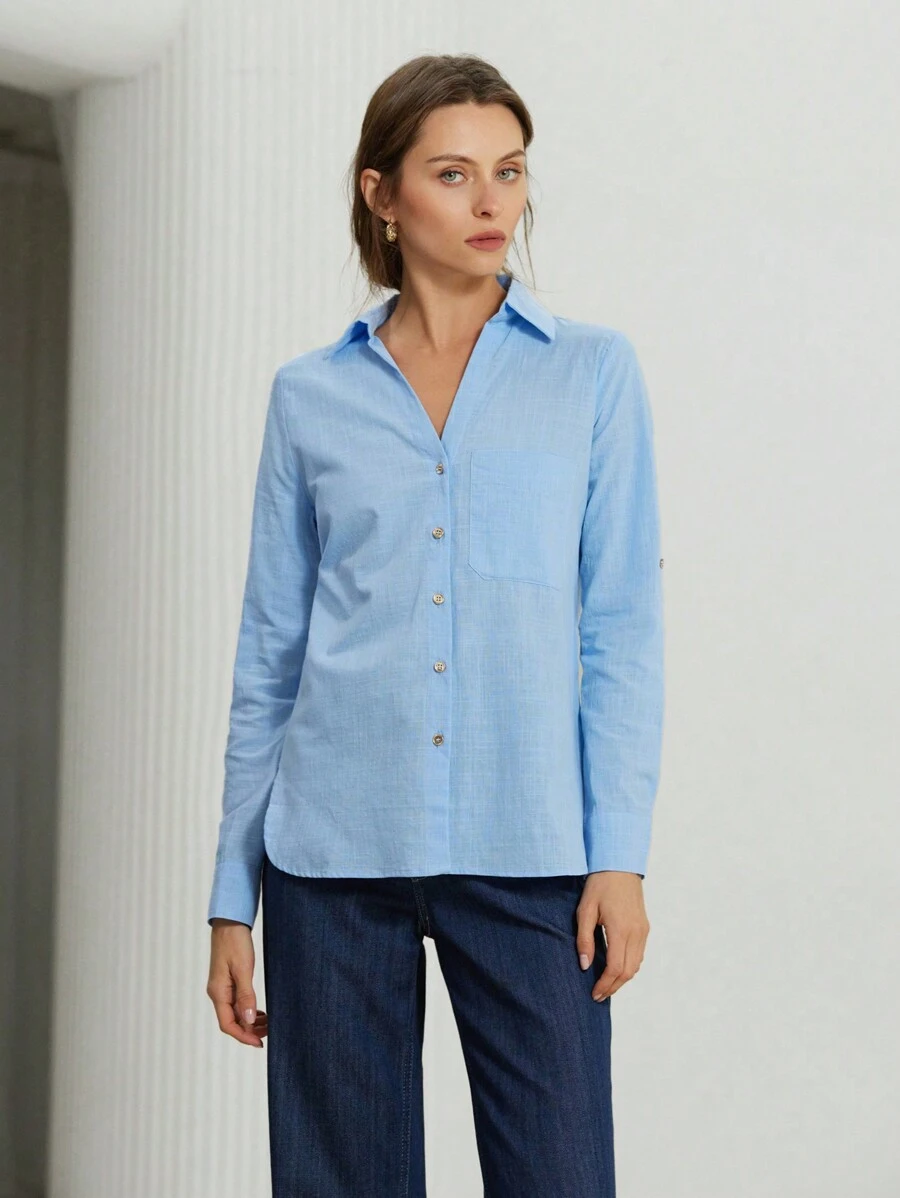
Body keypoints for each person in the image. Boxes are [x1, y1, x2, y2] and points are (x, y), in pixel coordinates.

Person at [206, 52, 665, 1198]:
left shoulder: (593, 375)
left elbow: (621, 629)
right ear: (382, 194)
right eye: (453, 174)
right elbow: (272, 651)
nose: (491, 201)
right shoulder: (311, 396)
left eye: (509, 170)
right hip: (331, 857)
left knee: (561, 1174)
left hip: (533, 852)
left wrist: (619, 855)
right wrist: (231, 896)